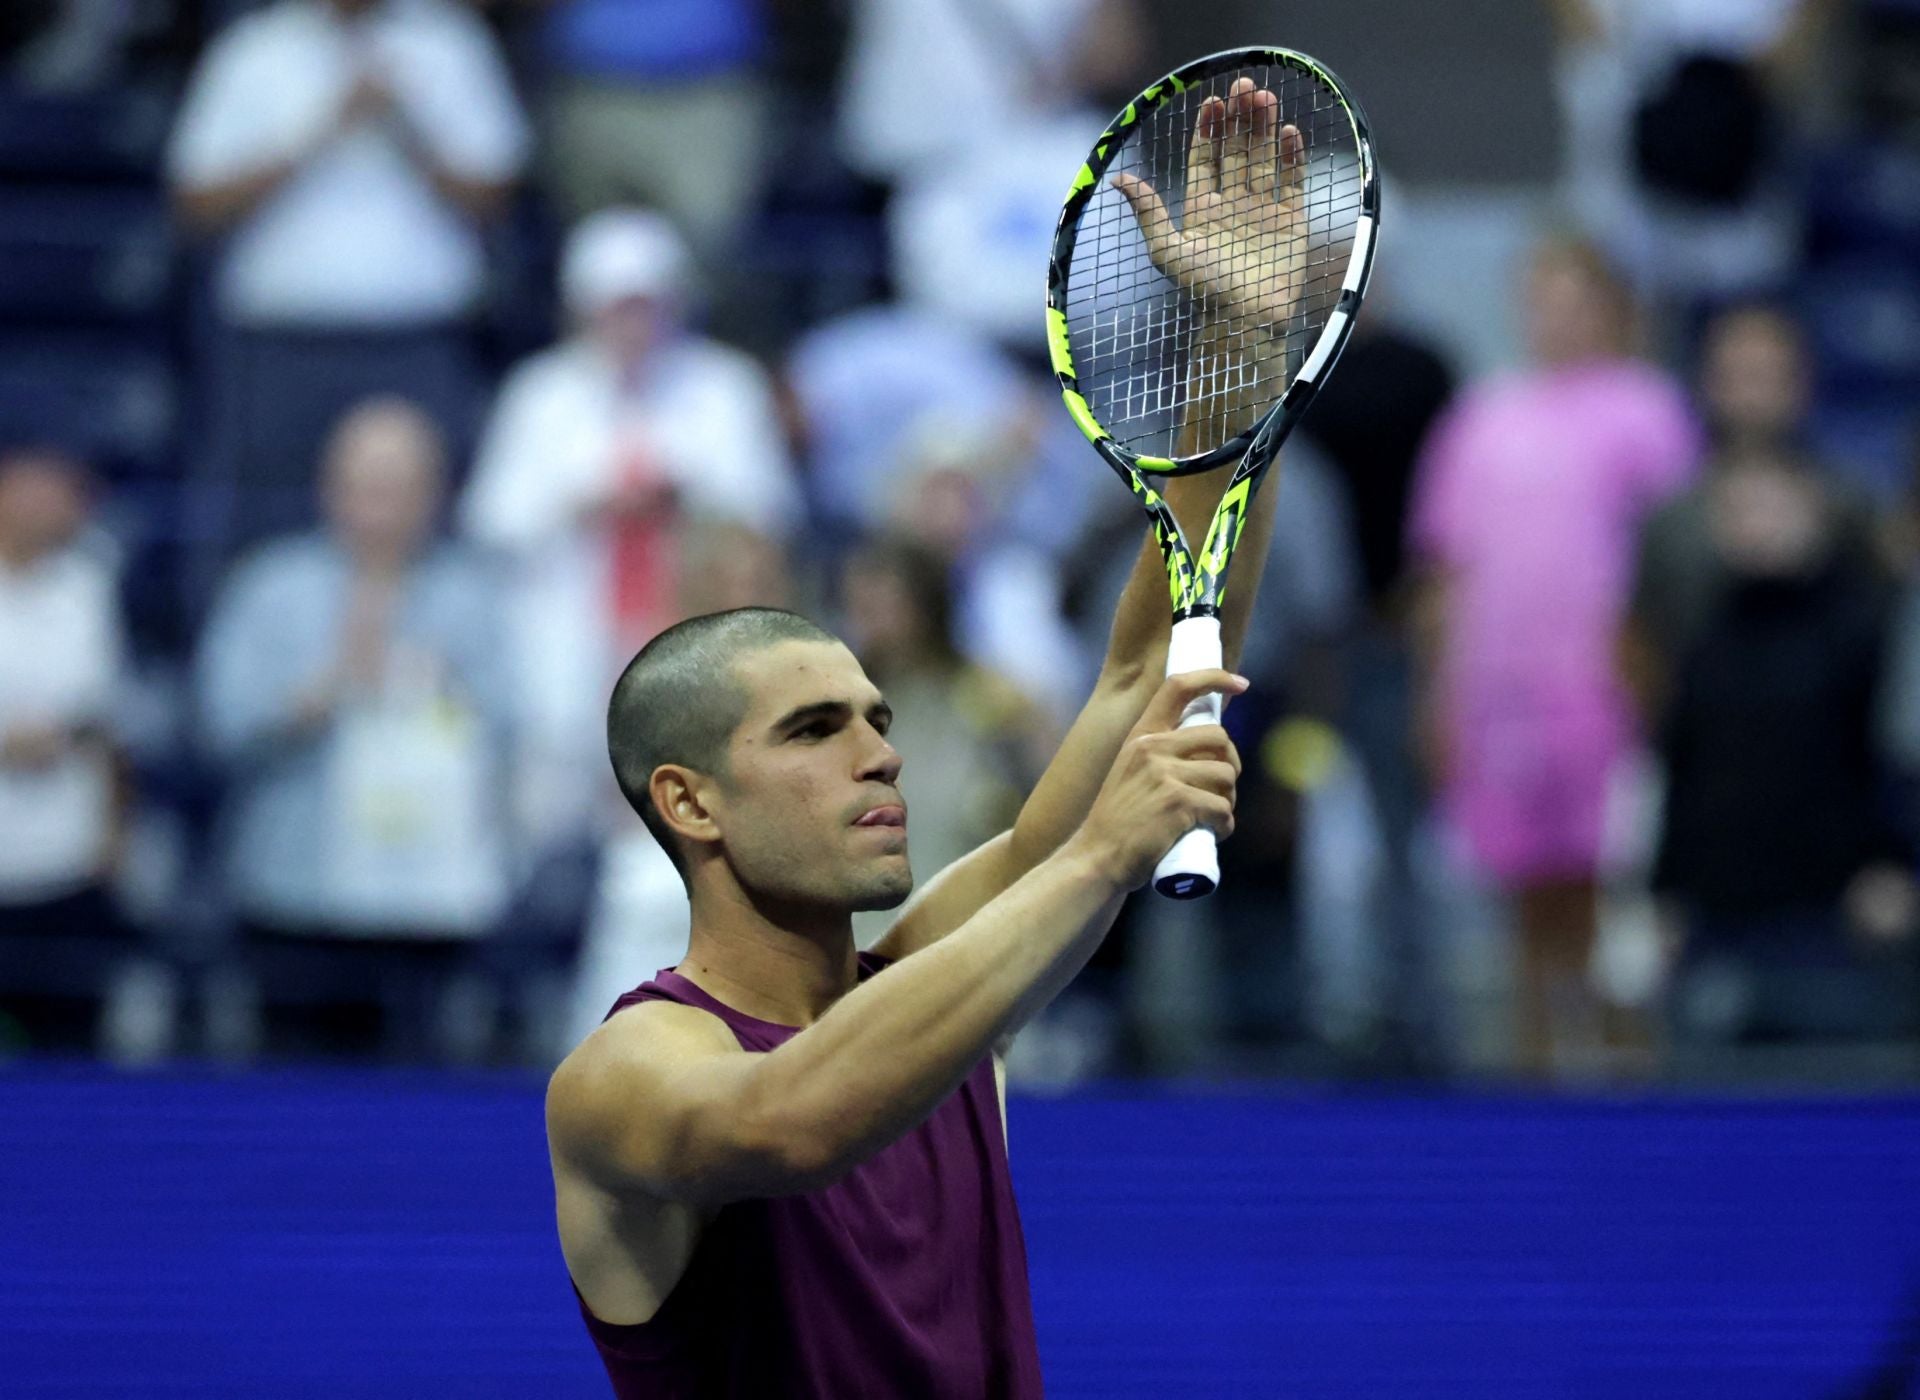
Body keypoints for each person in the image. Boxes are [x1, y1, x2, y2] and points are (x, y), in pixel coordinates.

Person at [543, 80, 1293, 1394]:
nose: (878, 754)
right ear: (691, 800)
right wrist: (1088, 862)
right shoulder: (626, 1072)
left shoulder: (939, 983)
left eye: (880, 720)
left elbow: (1144, 669)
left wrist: (1238, 359)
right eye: (816, 728)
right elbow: (792, 1124)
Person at [1408, 233, 1701, 1079]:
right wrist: (1439, 695)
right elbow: (1445, 571)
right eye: (1541, 296)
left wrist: (1657, 681)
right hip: (1500, 698)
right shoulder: (1480, 418)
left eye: (1575, 297)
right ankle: (1535, 1085)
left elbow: (1676, 561)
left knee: (1612, 905)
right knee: (1524, 906)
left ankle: (1629, 1080)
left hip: (1605, 695)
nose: (1556, 316)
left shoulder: (1647, 411)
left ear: (1612, 308)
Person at [460, 206, 802, 869]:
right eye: (617, 308)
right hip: (566, 629)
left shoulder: (723, 387)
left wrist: (680, 496)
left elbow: (770, 513)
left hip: (686, 630)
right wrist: (582, 504)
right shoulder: (542, 393)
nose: (633, 325)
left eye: (647, 307)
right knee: (551, 820)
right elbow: (490, 524)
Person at [197, 397, 513, 1060]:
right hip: (293, 892)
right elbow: (219, 725)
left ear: (436, 495)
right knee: (293, 1112)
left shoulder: (472, 595)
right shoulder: (272, 585)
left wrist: (428, 697)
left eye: (402, 489)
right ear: (329, 488)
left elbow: (508, 730)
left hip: (427, 902)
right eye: (367, 487)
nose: (383, 509)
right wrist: (313, 698)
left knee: (416, 1116)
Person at [168, 0, 530, 568]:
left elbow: (496, 195)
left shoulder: (448, 41)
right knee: (266, 535)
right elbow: (195, 202)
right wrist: (317, 132)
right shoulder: (256, 48)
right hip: (282, 346)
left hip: (416, 343)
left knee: (427, 534)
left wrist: (404, 126)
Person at [0, 446, 132, 1052]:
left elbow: (107, 720)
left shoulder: (89, 586)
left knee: (70, 1059)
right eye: (35, 487)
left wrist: (113, 834)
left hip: (65, 865)